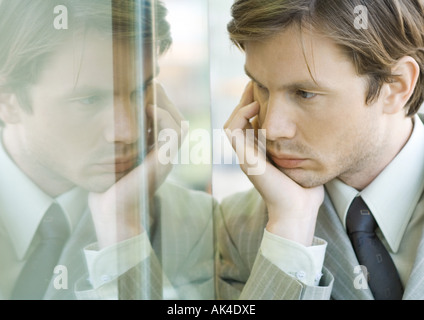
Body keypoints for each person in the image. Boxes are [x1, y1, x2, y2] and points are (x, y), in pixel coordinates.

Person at [0, 0, 214, 300]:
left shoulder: (195, 224)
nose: (128, 132)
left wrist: (122, 232)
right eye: (89, 100)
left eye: (139, 91)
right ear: (8, 101)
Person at [218, 0, 424, 299]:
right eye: (261, 86)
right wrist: (291, 229)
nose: (272, 127)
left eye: (305, 93)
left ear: (396, 85)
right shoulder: (241, 230)